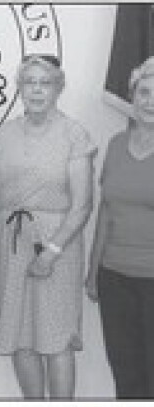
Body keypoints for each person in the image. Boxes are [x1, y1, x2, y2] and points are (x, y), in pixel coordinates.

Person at [0, 54, 96, 399]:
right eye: (30, 82)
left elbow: (83, 204)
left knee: (56, 338)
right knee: (20, 336)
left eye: (45, 83)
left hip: (57, 248)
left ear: (59, 88)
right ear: (20, 88)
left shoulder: (74, 134)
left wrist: (51, 252)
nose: (37, 90)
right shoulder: (4, 136)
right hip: (9, 247)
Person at [86, 56, 154, 399]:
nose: (150, 102)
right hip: (114, 278)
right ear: (133, 96)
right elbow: (106, 212)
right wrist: (93, 270)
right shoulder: (114, 145)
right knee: (126, 375)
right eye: (144, 92)